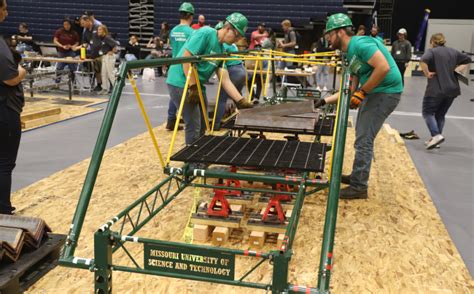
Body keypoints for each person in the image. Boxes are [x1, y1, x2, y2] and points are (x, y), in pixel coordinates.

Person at [315, 13, 403, 199]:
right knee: (362, 135)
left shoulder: (360, 44)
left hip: (386, 92)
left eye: (329, 35)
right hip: (375, 92)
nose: (327, 39)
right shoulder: (349, 55)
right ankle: (357, 176)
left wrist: (362, 93)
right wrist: (323, 101)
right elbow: (350, 89)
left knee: (364, 138)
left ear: (339, 32)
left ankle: (359, 186)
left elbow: (383, 67)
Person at [166, 12, 253, 145]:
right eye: (238, 35)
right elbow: (186, 58)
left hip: (197, 85)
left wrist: (240, 101)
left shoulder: (222, 50)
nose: (238, 39)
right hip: (180, 81)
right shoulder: (206, 33)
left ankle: (197, 154)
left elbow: (225, 80)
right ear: (229, 28)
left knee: (202, 123)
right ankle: (192, 162)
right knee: (193, 124)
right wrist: (193, 86)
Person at [420, 33, 470, 149]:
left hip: (436, 89)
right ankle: (436, 139)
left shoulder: (431, 51)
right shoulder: (453, 51)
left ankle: (436, 135)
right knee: (440, 114)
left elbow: (423, 61)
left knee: (428, 112)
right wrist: (456, 70)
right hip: (452, 89)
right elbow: (467, 60)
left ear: (432, 42)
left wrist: (427, 73)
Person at [1, 0, 27, 215]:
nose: (7, 13)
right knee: (5, 162)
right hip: (4, 108)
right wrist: (22, 72)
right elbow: (10, 79)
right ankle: (3, 210)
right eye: (4, 8)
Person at [165, 2, 195, 131]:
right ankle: (180, 118)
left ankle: (171, 118)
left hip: (174, 64)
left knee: (174, 93)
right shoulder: (191, 32)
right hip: (185, 66)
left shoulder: (173, 31)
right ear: (191, 16)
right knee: (182, 94)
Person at [214, 21, 247, 129]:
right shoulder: (232, 45)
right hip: (241, 70)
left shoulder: (223, 45)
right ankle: (246, 121)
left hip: (233, 71)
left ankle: (216, 124)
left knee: (222, 99)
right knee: (238, 98)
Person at [76, 15, 102, 91]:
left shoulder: (98, 26)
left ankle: (111, 85)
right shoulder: (85, 31)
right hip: (93, 53)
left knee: (105, 71)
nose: (82, 25)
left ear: (88, 21)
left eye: (83, 23)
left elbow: (105, 38)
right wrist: (78, 47)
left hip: (102, 52)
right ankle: (99, 84)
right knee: (97, 70)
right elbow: (85, 43)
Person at [96, 25, 117, 95]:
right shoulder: (101, 38)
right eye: (98, 30)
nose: (98, 31)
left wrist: (112, 51)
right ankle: (105, 88)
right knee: (103, 73)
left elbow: (115, 44)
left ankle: (116, 89)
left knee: (111, 73)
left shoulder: (107, 37)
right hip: (104, 56)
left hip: (109, 57)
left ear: (104, 31)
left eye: (100, 30)